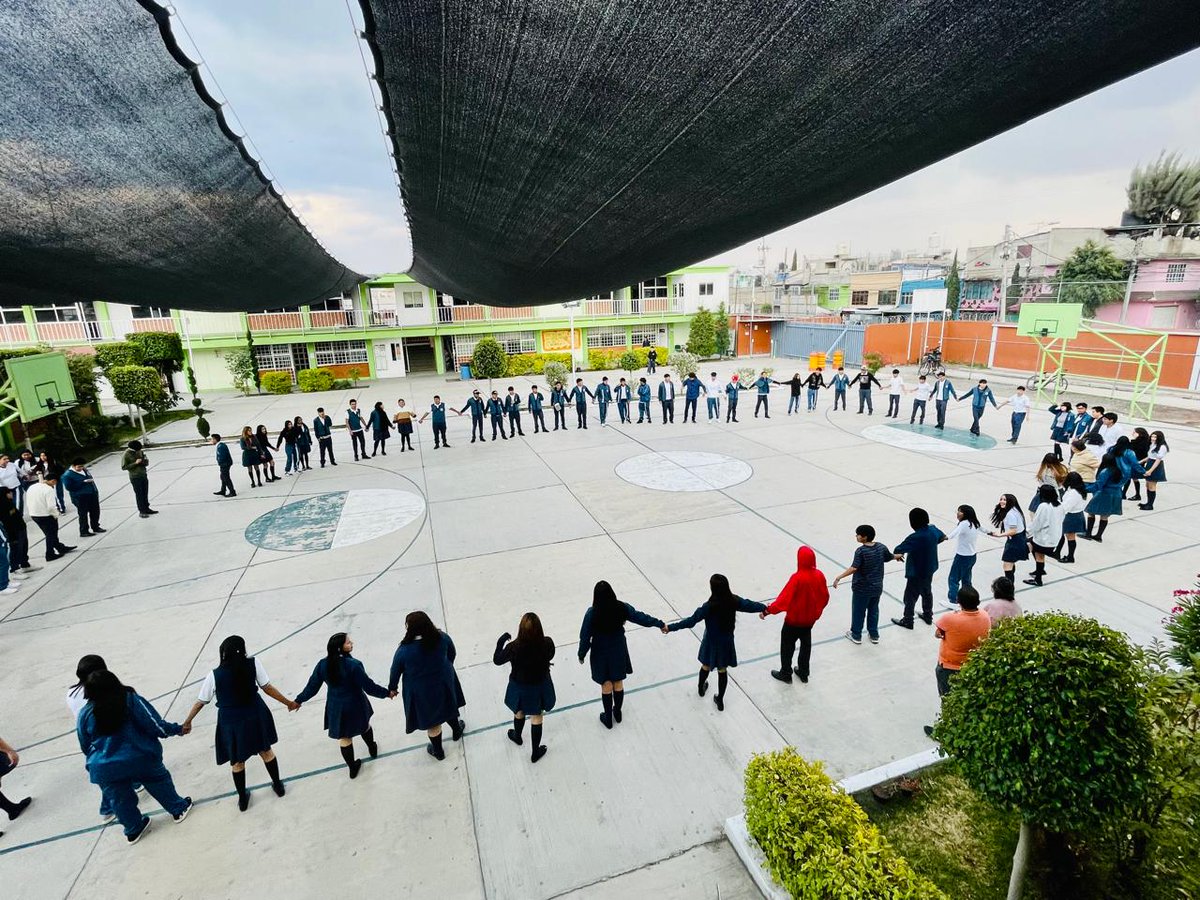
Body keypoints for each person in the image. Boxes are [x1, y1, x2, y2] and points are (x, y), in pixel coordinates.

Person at [76, 670, 192, 844]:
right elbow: (154, 725)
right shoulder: (129, 699)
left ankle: (133, 829)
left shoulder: (85, 713)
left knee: (120, 800)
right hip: (139, 756)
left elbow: (84, 743)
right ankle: (178, 809)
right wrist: (177, 729)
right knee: (158, 782)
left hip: (104, 767)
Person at [180, 636, 295, 811]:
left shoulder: (214, 675)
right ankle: (278, 786)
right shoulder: (253, 663)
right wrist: (288, 703)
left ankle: (242, 799)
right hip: (255, 714)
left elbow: (200, 702)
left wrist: (187, 722)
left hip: (231, 721)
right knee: (266, 751)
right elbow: (267, 687)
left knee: (237, 761)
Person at [294, 633, 391, 779]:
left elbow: (312, 687)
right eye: (348, 642)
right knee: (365, 726)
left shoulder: (322, 665)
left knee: (344, 738)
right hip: (355, 703)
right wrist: (387, 693)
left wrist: (298, 700)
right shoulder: (354, 665)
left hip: (336, 706)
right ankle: (372, 747)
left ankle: (352, 767)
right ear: (340, 648)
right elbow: (369, 687)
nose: (351, 643)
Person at [665, 574, 767, 711]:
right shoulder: (733, 601)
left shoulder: (708, 607)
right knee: (722, 670)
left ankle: (701, 688)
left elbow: (690, 621)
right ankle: (720, 700)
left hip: (711, 642)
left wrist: (670, 627)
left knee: (705, 665)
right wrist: (765, 608)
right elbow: (749, 605)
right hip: (726, 642)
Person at [578, 582, 665, 728]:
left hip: (600, 652)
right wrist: (659, 624)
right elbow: (640, 617)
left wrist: (582, 654)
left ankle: (608, 718)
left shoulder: (592, 613)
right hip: (618, 649)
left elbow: (585, 636)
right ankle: (617, 712)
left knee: (606, 684)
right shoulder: (621, 607)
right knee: (618, 681)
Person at [388, 612, 466, 761]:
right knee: (448, 706)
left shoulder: (404, 650)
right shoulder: (442, 637)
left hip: (421, 691)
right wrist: (445, 668)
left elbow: (395, 671)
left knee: (433, 722)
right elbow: (452, 653)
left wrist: (392, 688)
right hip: (443, 681)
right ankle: (456, 730)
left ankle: (438, 751)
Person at [924, 586, 991, 738]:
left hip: (950, 665)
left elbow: (938, 634)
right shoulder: (985, 616)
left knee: (948, 700)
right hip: (973, 665)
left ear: (959, 602)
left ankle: (947, 732)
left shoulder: (950, 619)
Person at [493, 613, 556, 763]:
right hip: (540, 685)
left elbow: (497, 660)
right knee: (537, 716)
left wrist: (500, 641)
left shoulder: (513, 648)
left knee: (519, 711)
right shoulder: (547, 643)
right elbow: (551, 655)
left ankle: (517, 736)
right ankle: (535, 752)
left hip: (519, 686)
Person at [761, 546, 828, 684]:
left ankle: (786, 673)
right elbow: (825, 597)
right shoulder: (819, 575)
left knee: (787, 647)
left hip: (793, 621)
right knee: (806, 646)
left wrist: (768, 611)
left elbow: (783, 600)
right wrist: (816, 612)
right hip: (809, 621)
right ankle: (803, 672)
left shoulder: (797, 578)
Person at [831, 524, 891, 644]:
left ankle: (856, 635)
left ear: (864, 537)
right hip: (877, 587)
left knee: (859, 612)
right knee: (873, 611)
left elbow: (854, 568)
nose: (856, 536)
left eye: (858, 535)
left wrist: (839, 577)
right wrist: (898, 556)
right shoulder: (881, 547)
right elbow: (889, 557)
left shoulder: (861, 551)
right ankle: (874, 634)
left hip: (862, 588)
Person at [889, 508, 946, 629]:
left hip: (917, 571)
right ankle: (928, 615)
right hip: (930, 568)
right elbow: (942, 537)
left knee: (910, 596)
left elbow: (899, 549)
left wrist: (899, 555)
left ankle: (908, 620)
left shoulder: (915, 537)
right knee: (927, 592)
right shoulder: (933, 529)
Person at [1024, 484, 1064, 587]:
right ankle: (1040, 571)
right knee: (1038, 553)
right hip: (1055, 537)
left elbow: (1037, 522)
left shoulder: (1043, 506)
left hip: (1044, 538)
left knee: (1038, 554)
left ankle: (1038, 578)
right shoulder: (1060, 505)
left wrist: (1027, 532)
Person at [27, 474, 74, 561]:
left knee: (49, 533)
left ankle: (60, 547)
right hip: (46, 515)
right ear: (53, 481)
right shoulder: (48, 490)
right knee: (51, 534)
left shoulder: (32, 487)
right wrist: (56, 515)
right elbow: (51, 506)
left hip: (34, 514)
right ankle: (50, 554)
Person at [943, 505, 981, 607]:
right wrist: (991, 533)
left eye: (960, 511)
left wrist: (943, 538)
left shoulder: (964, 524)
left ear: (965, 514)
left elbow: (953, 534)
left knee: (953, 579)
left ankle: (953, 601)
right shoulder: (974, 523)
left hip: (962, 557)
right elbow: (984, 529)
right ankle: (969, 599)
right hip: (972, 556)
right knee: (966, 580)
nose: (958, 513)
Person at [1083, 452, 1124, 543]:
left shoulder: (1105, 472)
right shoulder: (1119, 470)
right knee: (1105, 515)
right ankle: (1099, 536)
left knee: (1091, 512)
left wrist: (1084, 489)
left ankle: (1088, 533)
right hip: (1116, 494)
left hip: (1105, 494)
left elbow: (1098, 485)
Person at [987, 494, 1028, 583]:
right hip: (1017, 539)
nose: (1001, 501)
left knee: (1007, 566)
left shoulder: (1010, 514)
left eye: (1004, 500)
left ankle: (1009, 586)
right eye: (1001, 499)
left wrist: (999, 535)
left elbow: (1013, 531)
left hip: (1015, 541)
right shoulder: (1014, 510)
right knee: (1010, 563)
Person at [61, 458, 104, 537]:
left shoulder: (84, 470)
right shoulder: (67, 475)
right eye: (79, 467)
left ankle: (95, 526)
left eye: (82, 466)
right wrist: (83, 482)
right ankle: (84, 531)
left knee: (95, 511)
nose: (81, 468)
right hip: (80, 497)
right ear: (73, 466)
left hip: (91, 493)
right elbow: (69, 487)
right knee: (83, 514)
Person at [1055, 471, 1089, 564]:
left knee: (1070, 536)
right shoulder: (1079, 490)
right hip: (1076, 515)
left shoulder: (1074, 493)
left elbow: (1067, 506)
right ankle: (1063, 553)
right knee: (1068, 536)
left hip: (1072, 516)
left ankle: (1070, 557)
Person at [0, 488, 34, 576]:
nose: (12, 494)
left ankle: (24, 564)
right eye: (9, 492)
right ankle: (14, 569)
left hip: (21, 528)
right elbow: (7, 522)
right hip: (13, 532)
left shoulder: (10, 503)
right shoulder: (3, 507)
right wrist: (12, 536)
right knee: (15, 549)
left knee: (24, 546)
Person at [121, 440, 157, 516]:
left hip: (143, 475)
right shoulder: (126, 454)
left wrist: (143, 461)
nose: (138, 451)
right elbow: (124, 467)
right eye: (137, 450)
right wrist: (135, 463)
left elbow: (146, 461)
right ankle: (142, 511)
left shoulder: (140, 451)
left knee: (145, 493)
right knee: (139, 494)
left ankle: (147, 508)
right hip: (135, 477)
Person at [1139, 430, 1168, 511]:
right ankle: (1148, 503)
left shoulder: (1162, 447)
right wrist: (1141, 461)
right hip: (1150, 463)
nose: (1153, 438)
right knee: (1148, 485)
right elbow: (1150, 456)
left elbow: (1158, 460)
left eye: (1155, 437)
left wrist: (1150, 471)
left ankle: (1150, 505)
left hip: (1155, 466)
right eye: (1152, 436)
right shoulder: (1153, 444)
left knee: (1152, 485)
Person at [1124, 427, 1152, 501]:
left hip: (1137, 461)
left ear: (1139, 434)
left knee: (1130, 476)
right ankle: (1135, 494)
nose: (1132, 434)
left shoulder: (1139, 443)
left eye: (1134, 432)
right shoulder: (1144, 442)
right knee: (1133, 477)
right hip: (1137, 461)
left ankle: (1125, 494)